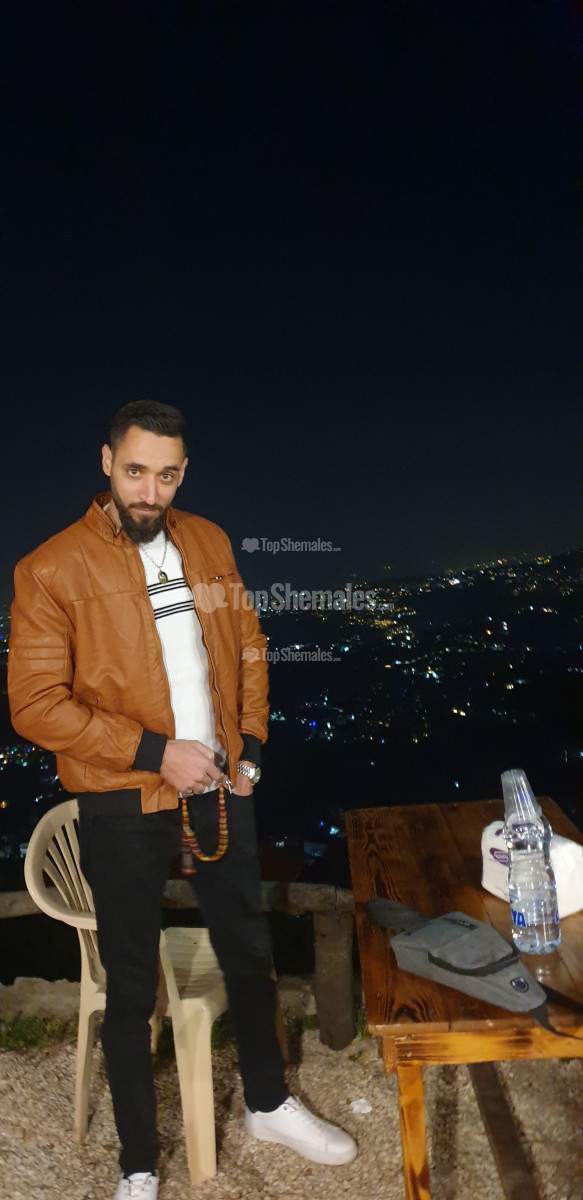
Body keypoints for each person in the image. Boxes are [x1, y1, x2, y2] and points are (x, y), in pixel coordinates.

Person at [8, 401, 357, 1200]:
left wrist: (251, 748)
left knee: (249, 951)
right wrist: (154, 752)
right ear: (106, 462)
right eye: (135, 471)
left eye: (165, 475)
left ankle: (267, 1103)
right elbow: (33, 704)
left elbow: (248, 646)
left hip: (219, 791)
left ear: (183, 473)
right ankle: (138, 1164)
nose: (149, 491)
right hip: (122, 798)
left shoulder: (208, 541)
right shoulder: (50, 568)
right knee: (132, 983)